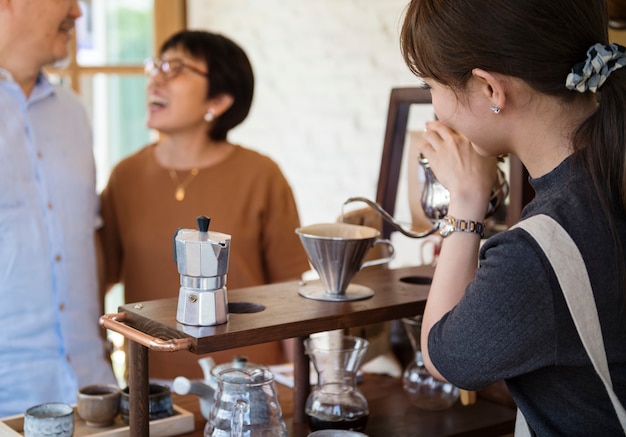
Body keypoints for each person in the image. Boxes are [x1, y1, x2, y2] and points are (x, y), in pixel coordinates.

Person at [400, 0, 626, 435]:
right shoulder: (606, 178)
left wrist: (466, 202)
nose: (435, 108)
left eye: (431, 85)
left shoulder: (540, 250)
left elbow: (445, 358)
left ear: (490, 90)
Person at [99, 30, 310, 382]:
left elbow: (288, 291)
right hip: (152, 386)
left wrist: (299, 386)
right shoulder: (126, 175)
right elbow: (97, 280)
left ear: (219, 100)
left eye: (175, 68)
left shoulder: (261, 174)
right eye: (156, 66)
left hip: (251, 380)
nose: (155, 79)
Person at [0, 0, 116, 417]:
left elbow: (87, 236)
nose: (78, 12)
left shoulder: (73, 112)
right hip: (8, 399)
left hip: (93, 389)